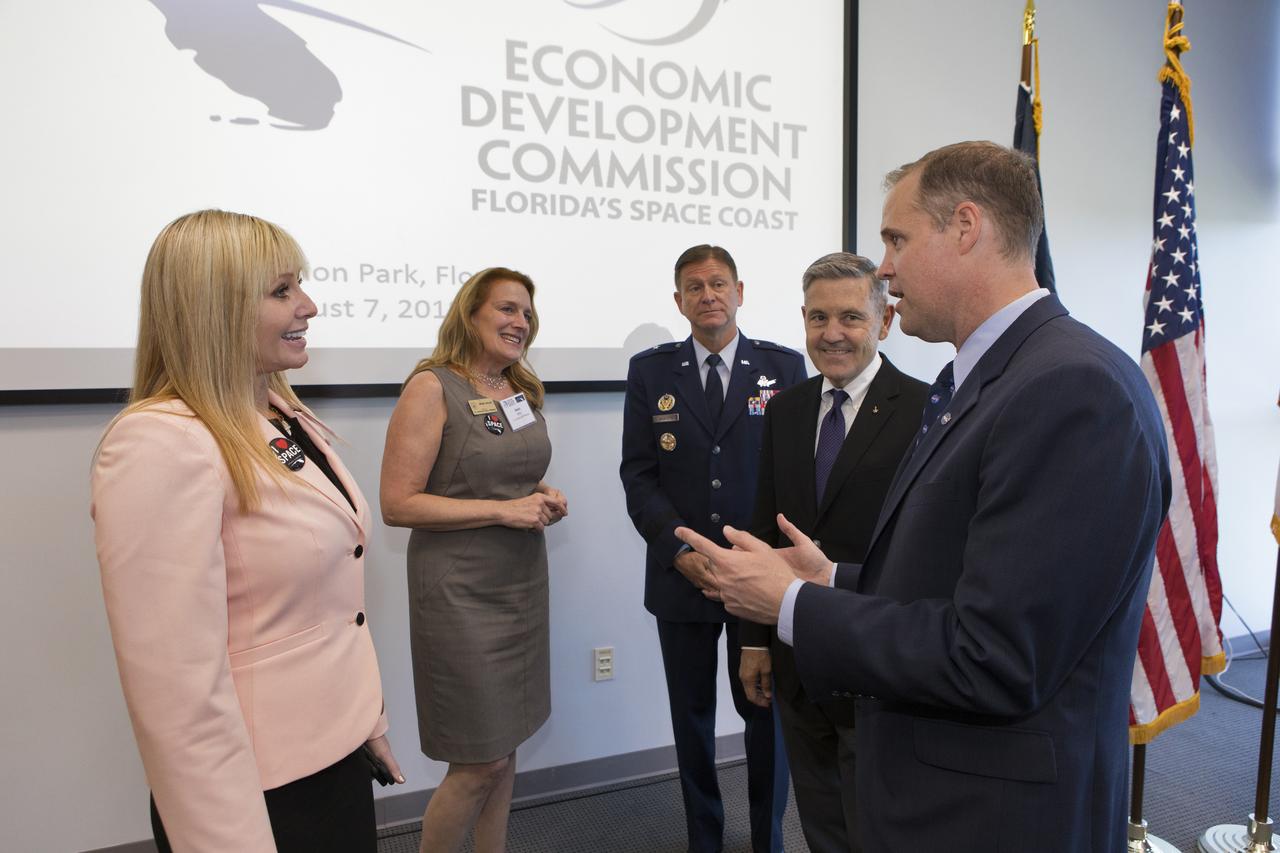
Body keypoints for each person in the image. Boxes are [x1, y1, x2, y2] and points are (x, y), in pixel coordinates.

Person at [676, 142, 1171, 851]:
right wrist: (832, 578)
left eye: (896, 239)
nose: (884, 267)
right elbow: (963, 577)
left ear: (965, 227)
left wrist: (789, 604)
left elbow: (996, 656)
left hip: (993, 815)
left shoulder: (1071, 389)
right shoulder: (997, 375)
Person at [92, 209, 404, 853]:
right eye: (282, 290)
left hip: (333, 754)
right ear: (216, 307)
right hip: (255, 794)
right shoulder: (160, 442)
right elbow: (177, 692)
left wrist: (363, 720)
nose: (309, 306)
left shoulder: (280, 414)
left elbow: (328, 604)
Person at [738, 252, 927, 853]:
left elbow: (924, 549)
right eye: (818, 317)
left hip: (878, 659)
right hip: (796, 656)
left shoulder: (927, 411)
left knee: (880, 825)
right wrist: (752, 640)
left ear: (885, 321)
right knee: (821, 820)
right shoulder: (787, 408)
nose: (832, 334)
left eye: (850, 317)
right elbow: (764, 529)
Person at [620, 244, 804, 853]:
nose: (708, 295)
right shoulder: (651, 373)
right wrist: (679, 551)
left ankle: (767, 839)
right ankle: (705, 837)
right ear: (679, 301)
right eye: (694, 287)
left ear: (740, 292)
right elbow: (639, 474)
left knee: (765, 716)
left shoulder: (783, 368)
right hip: (682, 579)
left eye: (719, 284)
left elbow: (791, 477)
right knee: (692, 720)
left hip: (760, 578)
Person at [380, 267, 567, 853]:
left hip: (520, 586)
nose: (521, 323)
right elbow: (396, 503)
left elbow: (507, 469)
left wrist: (542, 493)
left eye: (528, 314)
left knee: (504, 750)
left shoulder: (517, 390)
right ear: (471, 315)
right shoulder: (433, 387)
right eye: (507, 309)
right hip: (459, 595)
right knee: (478, 761)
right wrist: (502, 511)